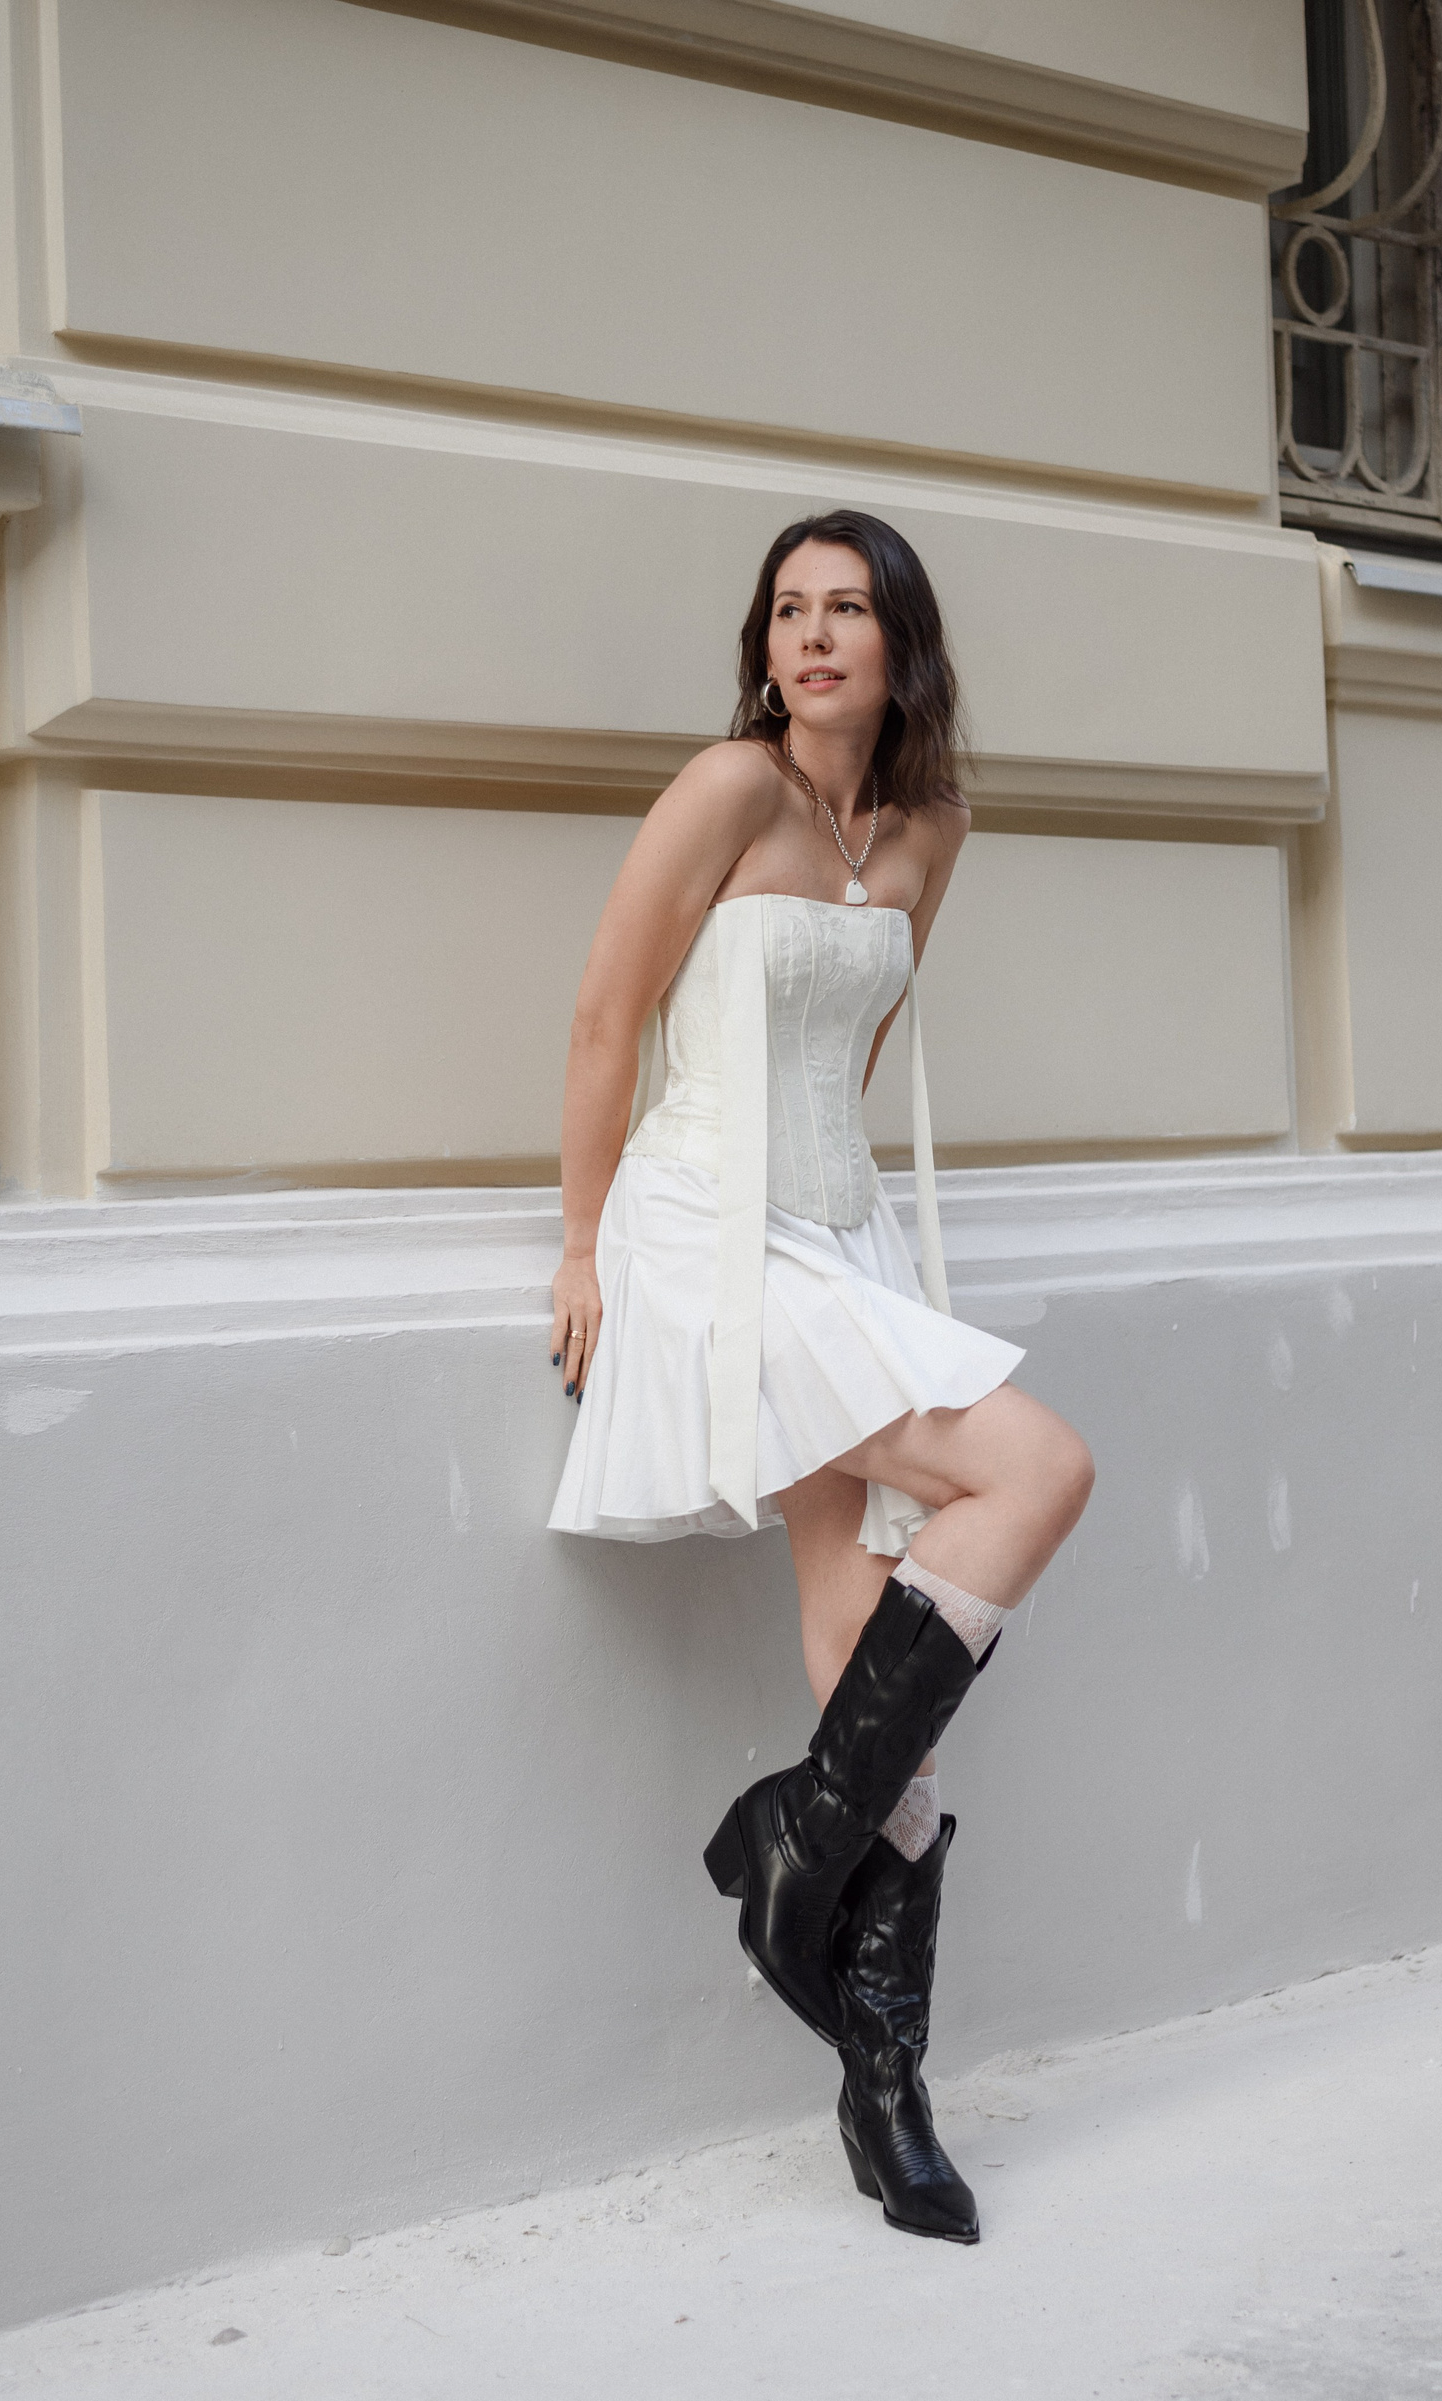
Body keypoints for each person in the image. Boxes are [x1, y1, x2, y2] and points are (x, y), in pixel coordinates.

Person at [548, 509, 1093, 2244]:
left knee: (859, 1621)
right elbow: (607, 1018)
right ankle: (797, 1834)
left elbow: (855, 1042)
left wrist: (844, 1233)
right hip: (707, 1232)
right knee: (1038, 1468)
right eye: (788, 609)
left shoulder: (933, 825)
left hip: (839, 1235)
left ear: (900, 640)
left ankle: (883, 2084)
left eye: (847, 607)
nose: (812, 635)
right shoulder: (729, 788)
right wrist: (579, 1248)